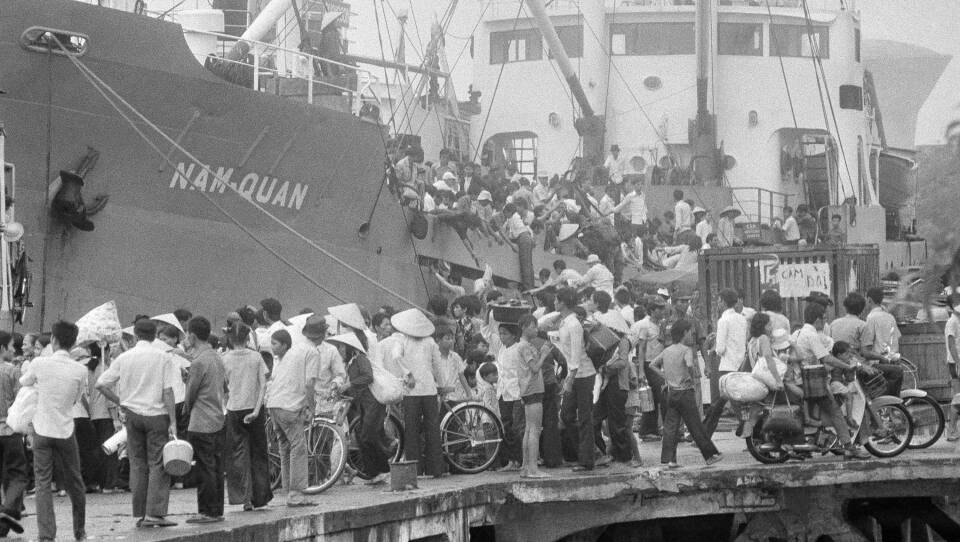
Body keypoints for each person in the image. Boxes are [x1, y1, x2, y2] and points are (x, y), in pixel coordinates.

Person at [96, 319, 178, 528]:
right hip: (157, 414)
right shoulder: (163, 357)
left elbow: (101, 384)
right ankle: (155, 513)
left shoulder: (124, 357)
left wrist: (121, 403)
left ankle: (141, 512)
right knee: (158, 463)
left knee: (138, 463)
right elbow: (168, 391)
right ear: (155, 335)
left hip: (132, 415)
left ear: (135, 335)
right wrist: (173, 421)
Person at [21, 320, 88, 541]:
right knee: (75, 481)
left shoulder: (39, 363)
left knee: (42, 482)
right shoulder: (80, 369)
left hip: (42, 429)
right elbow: (76, 398)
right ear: (74, 342)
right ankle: (79, 531)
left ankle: (46, 535)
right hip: (66, 429)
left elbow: (24, 381)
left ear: (53, 340)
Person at [794, 303, 871, 459]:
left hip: (802, 379)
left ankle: (819, 437)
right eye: (823, 318)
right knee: (836, 412)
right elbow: (826, 358)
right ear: (817, 320)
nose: (825, 322)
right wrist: (847, 366)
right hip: (812, 382)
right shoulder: (812, 335)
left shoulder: (799, 333)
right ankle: (849, 447)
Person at [651, 320, 723, 468]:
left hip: (671, 392)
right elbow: (689, 364)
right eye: (690, 332)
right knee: (695, 425)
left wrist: (666, 377)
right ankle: (710, 456)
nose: (691, 335)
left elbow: (652, 365)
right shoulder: (686, 350)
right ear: (684, 333)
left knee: (670, 427)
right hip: (685, 392)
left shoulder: (667, 350)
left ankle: (670, 459)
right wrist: (691, 376)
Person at [264, 328, 319, 507]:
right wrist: (312, 407)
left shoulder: (292, 352)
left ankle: (288, 490)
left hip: (274, 404)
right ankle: (296, 494)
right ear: (322, 335)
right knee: (298, 446)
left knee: (285, 447)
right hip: (289, 405)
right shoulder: (312, 352)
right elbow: (309, 383)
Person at [222, 323, 272, 512]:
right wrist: (257, 410)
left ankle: (244, 497)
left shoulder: (224, 359)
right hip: (254, 408)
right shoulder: (256, 357)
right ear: (247, 338)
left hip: (234, 408)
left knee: (237, 455)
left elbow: (224, 387)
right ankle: (260, 497)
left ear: (230, 339)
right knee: (258, 453)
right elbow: (263, 385)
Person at [390, 309, 446, 478]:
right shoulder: (430, 341)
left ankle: (414, 469)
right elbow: (437, 365)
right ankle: (435, 469)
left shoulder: (402, 340)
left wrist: (407, 374)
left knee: (411, 430)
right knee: (432, 429)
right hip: (429, 389)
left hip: (411, 391)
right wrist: (442, 385)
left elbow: (396, 356)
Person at [329, 333, 391, 485]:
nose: (340, 350)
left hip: (373, 402)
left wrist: (349, 385)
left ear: (349, 348)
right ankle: (373, 473)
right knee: (362, 436)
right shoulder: (350, 364)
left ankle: (384, 467)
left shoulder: (360, 359)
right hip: (363, 403)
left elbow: (368, 377)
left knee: (369, 435)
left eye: (341, 347)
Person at [182, 317, 226, 524]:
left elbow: (191, 393)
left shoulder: (198, 362)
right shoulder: (216, 357)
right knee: (215, 466)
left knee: (204, 467)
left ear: (192, 336)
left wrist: (185, 409)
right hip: (217, 416)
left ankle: (206, 511)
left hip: (201, 419)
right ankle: (216, 510)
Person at [556, 288, 596, 472]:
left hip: (584, 374)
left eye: (557, 300)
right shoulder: (564, 322)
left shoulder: (574, 325)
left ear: (563, 303)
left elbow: (576, 354)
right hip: (574, 374)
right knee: (566, 415)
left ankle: (587, 460)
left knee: (585, 417)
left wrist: (569, 379)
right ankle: (585, 452)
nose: (554, 303)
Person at [703, 289, 748, 438]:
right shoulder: (742, 319)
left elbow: (720, 348)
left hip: (726, 366)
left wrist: (714, 346)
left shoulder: (723, 320)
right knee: (733, 400)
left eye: (718, 301)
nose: (718, 303)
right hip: (740, 364)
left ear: (723, 302)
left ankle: (745, 426)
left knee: (720, 401)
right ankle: (704, 433)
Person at [516, 315, 548, 478]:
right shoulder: (525, 346)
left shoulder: (524, 345)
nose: (536, 330)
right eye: (532, 326)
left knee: (529, 429)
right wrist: (544, 355)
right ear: (523, 327)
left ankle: (525, 467)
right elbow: (534, 368)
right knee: (535, 429)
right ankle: (533, 469)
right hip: (533, 389)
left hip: (528, 390)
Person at [0, 342, 26, 536]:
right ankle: (8, 508)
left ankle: (2, 526)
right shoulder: (12, 371)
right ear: (2, 347)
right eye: (9, 345)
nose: (13, 349)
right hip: (10, 429)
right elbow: (22, 400)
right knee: (18, 474)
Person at [860, 287, 904, 396]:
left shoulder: (871, 318)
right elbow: (897, 337)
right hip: (892, 361)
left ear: (869, 300)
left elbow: (866, 347)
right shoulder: (890, 317)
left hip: (879, 364)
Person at [495, 323, 525, 472]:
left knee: (517, 427)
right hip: (503, 391)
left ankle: (521, 459)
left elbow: (521, 372)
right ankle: (512, 460)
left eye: (505, 334)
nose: (502, 337)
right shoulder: (501, 349)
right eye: (500, 333)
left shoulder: (518, 349)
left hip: (516, 392)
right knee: (506, 426)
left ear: (513, 335)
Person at [944, 294, 960, 441]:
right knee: (958, 399)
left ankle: (953, 430)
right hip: (956, 364)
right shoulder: (952, 322)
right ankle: (951, 431)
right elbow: (951, 345)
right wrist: (958, 363)